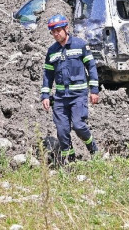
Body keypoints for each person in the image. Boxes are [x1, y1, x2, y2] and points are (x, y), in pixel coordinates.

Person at [41, 14, 100, 164]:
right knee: (62, 131)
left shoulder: (80, 45)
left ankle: (93, 149)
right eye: (53, 32)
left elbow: (91, 67)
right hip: (60, 98)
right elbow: (48, 75)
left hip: (78, 95)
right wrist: (45, 95)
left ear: (66, 29)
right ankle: (70, 160)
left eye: (58, 30)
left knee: (79, 126)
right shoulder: (52, 51)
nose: (56, 34)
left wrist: (94, 90)